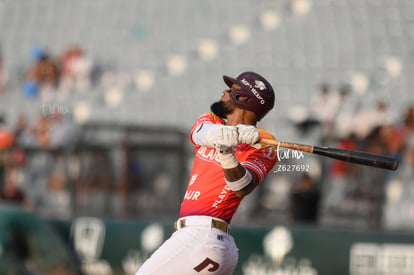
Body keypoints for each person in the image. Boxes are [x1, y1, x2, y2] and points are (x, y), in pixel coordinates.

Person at [136, 71, 278, 274]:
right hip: (198, 238)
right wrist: (231, 135)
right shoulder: (212, 120)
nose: (224, 91)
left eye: (232, 90)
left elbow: (241, 187)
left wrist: (226, 151)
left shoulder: (265, 144)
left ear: (244, 99)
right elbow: (198, 134)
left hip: (205, 236)